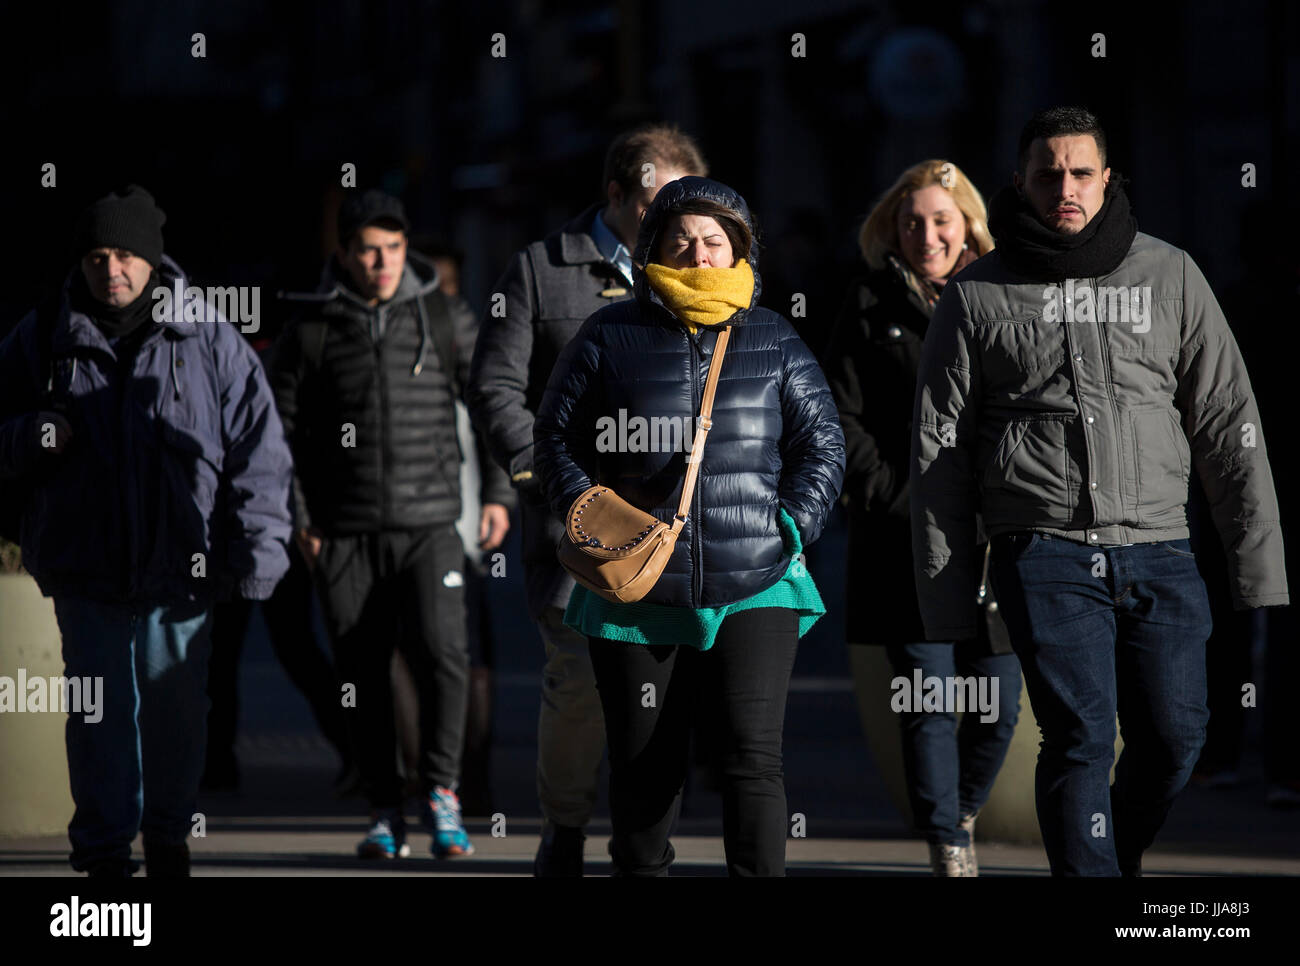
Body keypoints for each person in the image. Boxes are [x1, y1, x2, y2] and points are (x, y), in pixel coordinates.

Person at [910, 107, 1289, 876]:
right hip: (1042, 551)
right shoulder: (977, 296)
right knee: (1079, 736)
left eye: (1081, 171)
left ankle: (1105, 855)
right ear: (1019, 183)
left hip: (1161, 549)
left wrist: (1258, 567)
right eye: (1048, 174)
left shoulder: (1170, 274)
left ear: (1108, 178)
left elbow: (1227, 422)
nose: (1065, 188)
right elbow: (938, 453)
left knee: (1177, 737)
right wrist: (947, 598)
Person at [533, 176, 845, 877]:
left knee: (752, 760)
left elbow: (822, 442)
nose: (699, 254)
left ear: (739, 252)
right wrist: (589, 511)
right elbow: (555, 435)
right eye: (681, 242)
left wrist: (789, 524)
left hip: (756, 585)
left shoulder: (772, 335)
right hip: (637, 590)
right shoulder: (610, 334)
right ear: (654, 253)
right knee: (646, 770)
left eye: (714, 241)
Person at [0, 185, 293, 876]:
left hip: (182, 567)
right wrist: (27, 436)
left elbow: (260, 448)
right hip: (85, 565)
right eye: (98, 256)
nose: (112, 271)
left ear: (153, 260)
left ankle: (166, 838)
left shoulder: (209, 336)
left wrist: (258, 550)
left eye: (126, 255)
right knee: (98, 718)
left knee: (175, 714)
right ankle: (103, 855)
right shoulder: (44, 333)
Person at [467, 123, 707, 874]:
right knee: (577, 685)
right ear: (614, 196)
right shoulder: (541, 271)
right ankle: (565, 828)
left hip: (678, 530)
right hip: (577, 529)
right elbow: (495, 385)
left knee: (665, 692)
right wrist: (543, 472)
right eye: (652, 206)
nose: (672, 226)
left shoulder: (701, 268)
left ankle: (645, 845)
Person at [270, 189, 513, 860]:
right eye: (368, 250)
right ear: (345, 254)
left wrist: (497, 495)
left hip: (432, 522)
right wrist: (300, 518)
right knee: (363, 671)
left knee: (444, 654)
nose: (382, 262)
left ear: (407, 251)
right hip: (344, 531)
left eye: (394, 249)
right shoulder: (310, 330)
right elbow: (277, 438)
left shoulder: (443, 316)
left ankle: (441, 793)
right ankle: (384, 806)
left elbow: (491, 407)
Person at [825, 159, 1020, 876]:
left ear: (968, 221)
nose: (927, 234)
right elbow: (839, 416)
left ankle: (959, 810)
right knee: (931, 699)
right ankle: (948, 842)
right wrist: (890, 495)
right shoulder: (869, 304)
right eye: (912, 222)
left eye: (941, 219)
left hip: (996, 539)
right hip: (907, 539)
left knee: (997, 704)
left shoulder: (1006, 294)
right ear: (893, 231)